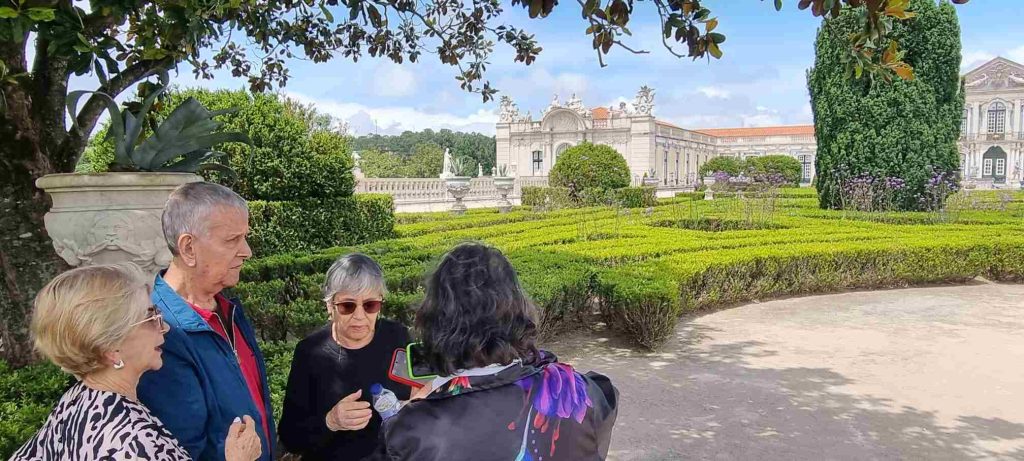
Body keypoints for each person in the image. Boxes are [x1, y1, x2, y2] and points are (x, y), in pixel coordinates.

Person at [372, 243, 618, 460]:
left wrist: (427, 402)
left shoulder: (412, 430)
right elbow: (608, 394)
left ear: (436, 323)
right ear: (518, 312)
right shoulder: (575, 392)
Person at [10, 264, 263, 461]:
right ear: (111, 348)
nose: (163, 327)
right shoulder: (131, 443)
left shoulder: (79, 399)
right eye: (150, 318)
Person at [137, 182, 275, 461]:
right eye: (232, 240)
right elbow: (181, 451)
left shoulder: (227, 307)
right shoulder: (161, 333)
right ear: (188, 247)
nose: (246, 251)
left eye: (244, 237)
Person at [278, 253, 412, 461]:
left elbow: (423, 392)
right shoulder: (310, 353)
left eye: (370, 305)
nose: (359, 315)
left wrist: (411, 406)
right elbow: (291, 437)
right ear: (330, 306)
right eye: (348, 306)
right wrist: (331, 421)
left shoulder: (397, 336)